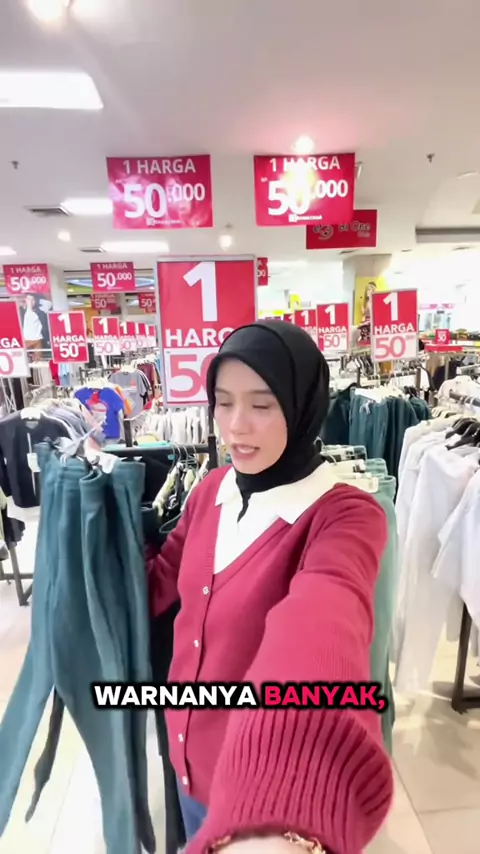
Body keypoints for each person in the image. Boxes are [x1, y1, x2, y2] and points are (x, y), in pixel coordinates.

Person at [146, 320, 393, 854]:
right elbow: (162, 581)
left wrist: (283, 810)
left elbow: (322, 623)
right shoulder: (212, 489)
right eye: (223, 403)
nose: (236, 426)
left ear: (302, 405)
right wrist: (91, 532)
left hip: (251, 795)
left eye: (262, 404)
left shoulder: (344, 517)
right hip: (184, 760)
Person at [19, 294, 50, 359]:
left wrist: (47, 340)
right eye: (28, 300)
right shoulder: (20, 312)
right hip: (25, 340)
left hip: (37, 340)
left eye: (32, 300)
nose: (30, 302)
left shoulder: (41, 313)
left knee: (37, 359)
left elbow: (45, 327)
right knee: (23, 358)